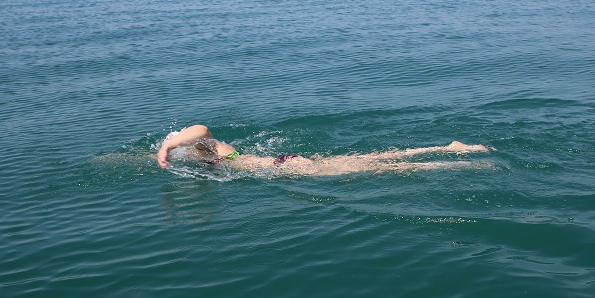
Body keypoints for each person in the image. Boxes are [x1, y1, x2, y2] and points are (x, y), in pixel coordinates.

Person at [156, 124, 490, 176]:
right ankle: (449, 149)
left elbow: (200, 129)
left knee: (379, 169)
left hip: (285, 168)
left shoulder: (211, 150)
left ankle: (450, 164)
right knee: (374, 159)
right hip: (285, 161)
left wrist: (167, 147)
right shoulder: (211, 153)